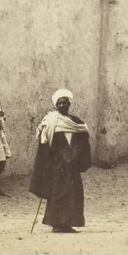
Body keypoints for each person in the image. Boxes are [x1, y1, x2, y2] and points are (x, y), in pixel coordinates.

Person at [28, 88, 91, 232]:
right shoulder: (51, 122)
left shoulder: (76, 122)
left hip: (72, 165)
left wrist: (76, 154)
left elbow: (83, 139)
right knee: (58, 192)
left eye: (65, 102)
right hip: (57, 165)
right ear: (56, 105)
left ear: (69, 104)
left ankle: (68, 224)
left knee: (73, 192)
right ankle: (56, 224)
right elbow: (45, 144)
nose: (62, 105)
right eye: (60, 103)